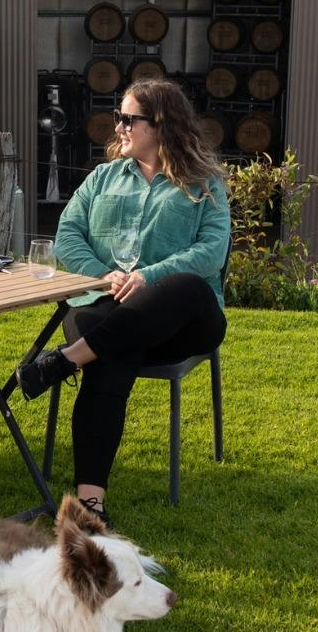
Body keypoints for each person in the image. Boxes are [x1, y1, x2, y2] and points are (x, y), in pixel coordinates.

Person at [15, 79, 230, 529]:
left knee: (188, 284)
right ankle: (91, 504)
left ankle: (65, 361)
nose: (120, 126)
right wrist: (102, 273)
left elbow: (212, 250)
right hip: (103, 306)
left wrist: (146, 277)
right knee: (112, 348)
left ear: (161, 124)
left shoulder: (203, 183)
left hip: (182, 321)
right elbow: (68, 234)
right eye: (120, 116)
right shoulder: (102, 178)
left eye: (129, 118)